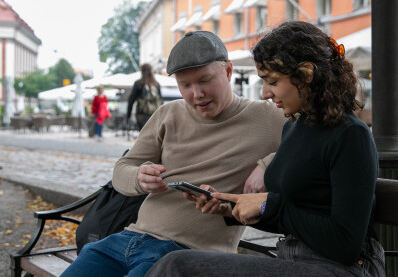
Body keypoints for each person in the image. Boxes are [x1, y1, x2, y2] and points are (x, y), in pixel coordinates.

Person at [147, 21, 384, 276]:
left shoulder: (350, 135)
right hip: (295, 261)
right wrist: (231, 207)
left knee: (177, 266)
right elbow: (293, 219)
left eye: (271, 81)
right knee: (175, 264)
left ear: (305, 75)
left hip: (341, 269)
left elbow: (345, 243)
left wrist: (270, 205)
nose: (265, 93)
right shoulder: (295, 127)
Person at [60, 31, 286, 277]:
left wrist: (267, 164)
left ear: (228, 71)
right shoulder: (168, 114)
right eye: (185, 85)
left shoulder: (267, 117)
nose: (196, 93)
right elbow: (121, 170)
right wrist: (138, 177)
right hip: (127, 239)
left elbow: (315, 142)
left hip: (188, 255)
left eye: (205, 80)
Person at [127, 63, 162, 130]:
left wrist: (128, 115)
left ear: (142, 71)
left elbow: (131, 100)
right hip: (155, 115)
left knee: (143, 136)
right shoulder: (156, 84)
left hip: (141, 114)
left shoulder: (138, 83)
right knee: (154, 136)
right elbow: (160, 100)